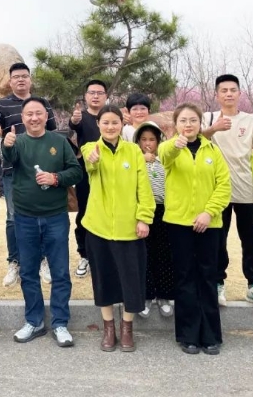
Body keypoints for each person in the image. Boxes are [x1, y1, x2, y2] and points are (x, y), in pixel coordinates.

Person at [2, 97, 83, 347]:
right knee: (28, 272)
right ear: (22, 118)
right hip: (24, 218)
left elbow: (76, 172)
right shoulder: (18, 142)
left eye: (38, 113)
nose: (34, 118)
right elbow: (9, 158)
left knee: (60, 272)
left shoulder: (59, 142)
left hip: (55, 216)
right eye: (29, 114)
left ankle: (60, 323)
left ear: (46, 116)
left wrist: (55, 178)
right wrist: (7, 145)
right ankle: (34, 321)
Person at [81, 106, 155, 352]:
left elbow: (144, 187)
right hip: (98, 227)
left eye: (115, 122)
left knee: (131, 280)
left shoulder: (133, 151)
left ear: (122, 124)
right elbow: (90, 164)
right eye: (105, 122)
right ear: (98, 124)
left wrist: (144, 218)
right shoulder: (91, 148)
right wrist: (93, 160)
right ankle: (108, 328)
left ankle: (127, 329)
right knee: (104, 279)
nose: (110, 127)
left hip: (128, 228)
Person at [159, 103, 231, 356]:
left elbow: (224, 185)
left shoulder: (213, 150)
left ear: (200, 124)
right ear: (175, 124)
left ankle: (210, 336)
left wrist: (208, 212)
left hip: (209, 224)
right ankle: (188, 335)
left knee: (207, 277)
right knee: (185, 278)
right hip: (179, 223)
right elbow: (164, 156)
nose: (188, 125)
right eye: (183, 120)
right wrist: (175, 145)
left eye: (192, 120)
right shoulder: (170, 148)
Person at [0, 62, 58, 287]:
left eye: (24, 76)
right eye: (16, 77)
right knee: (13, 217)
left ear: (30, 79)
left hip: (41, 168)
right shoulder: (3, 104)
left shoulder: (42, 103)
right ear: (10, 81)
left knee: (41, 214)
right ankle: (14, 262)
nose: (21, 80)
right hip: (13, 169)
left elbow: (53, 133)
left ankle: (43, 260)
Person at [202, 74, 253, 307]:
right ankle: (218, 283)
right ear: (216, 95)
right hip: (216, 191)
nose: (229, 94)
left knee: (250, 239)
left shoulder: (252, 121)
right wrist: (213, 129)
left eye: (233, 90)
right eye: (224, 90)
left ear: (240, 93)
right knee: (217, 240)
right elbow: (193, 140)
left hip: (246, 189)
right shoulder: (207, 118)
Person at [134, 121, 175, 319]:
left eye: (152, 139)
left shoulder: (166, 160)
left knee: (164, 253)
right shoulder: (134, 161)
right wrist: (141, 159)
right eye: (143, 139)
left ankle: (165, 296)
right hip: (142, 212)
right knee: (145, 254)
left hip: (164, 211)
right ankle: (147, 295)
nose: (148, 143)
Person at [68, 79, 107, 278]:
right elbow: (73, 124)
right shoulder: (81, 117)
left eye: (100, 93)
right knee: (84, 211)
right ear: (86, 96)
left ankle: (105, 253)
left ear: (106, 96)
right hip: (86, 173)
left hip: (109, 172)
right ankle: (85, 255)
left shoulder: (110, 116)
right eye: (92, 92)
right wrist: (74, 120)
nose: (96, 96)